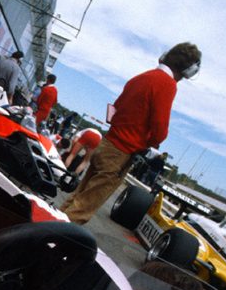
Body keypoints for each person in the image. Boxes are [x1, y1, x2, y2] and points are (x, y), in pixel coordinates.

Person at [60, 42, 202, 224]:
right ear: (189, 70)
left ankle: (47, 225)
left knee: (78, 197)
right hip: (120, 153)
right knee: (83, 208)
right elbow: (160, 130)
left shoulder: (142, 77)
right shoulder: (167, 84)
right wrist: (149, 142)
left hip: (106, 144)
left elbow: (116, 109)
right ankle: (50, 242)